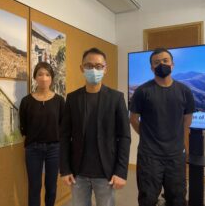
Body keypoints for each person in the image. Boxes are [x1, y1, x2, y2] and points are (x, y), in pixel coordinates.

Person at [60, 47, 131, 206]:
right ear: (81, 68)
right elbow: (64, 136)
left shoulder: (116, 98)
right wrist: (65, 169)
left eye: (99, 66)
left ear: (105, 69)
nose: (94, 70)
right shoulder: (72, 98)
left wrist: (121, 172)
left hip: (106, 172)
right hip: (78, 173)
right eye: (89, 66)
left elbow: (124, 137)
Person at [129, 48, 195, 206]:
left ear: (172, 64)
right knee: (147, 199)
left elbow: (187, 122)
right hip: (149, 157)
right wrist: (147, 136)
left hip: (176, 156)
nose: (161, 64)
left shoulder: (184, 91)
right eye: (156, 62)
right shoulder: (142, 91)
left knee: (177, 199)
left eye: (165, 61)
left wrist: (184, 148)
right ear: (151, 68)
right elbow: (133, 119)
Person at [19, 62, 65, 206]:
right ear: (35, 77)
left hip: (54, 149)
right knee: (34, 187)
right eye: (40, 74)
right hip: (33, 149)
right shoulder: (26, 101)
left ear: (51, 78)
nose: (44, 78)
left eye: (47, 74)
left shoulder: (59, 100)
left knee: (51, 187)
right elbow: (23, 127)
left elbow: (63, 125)